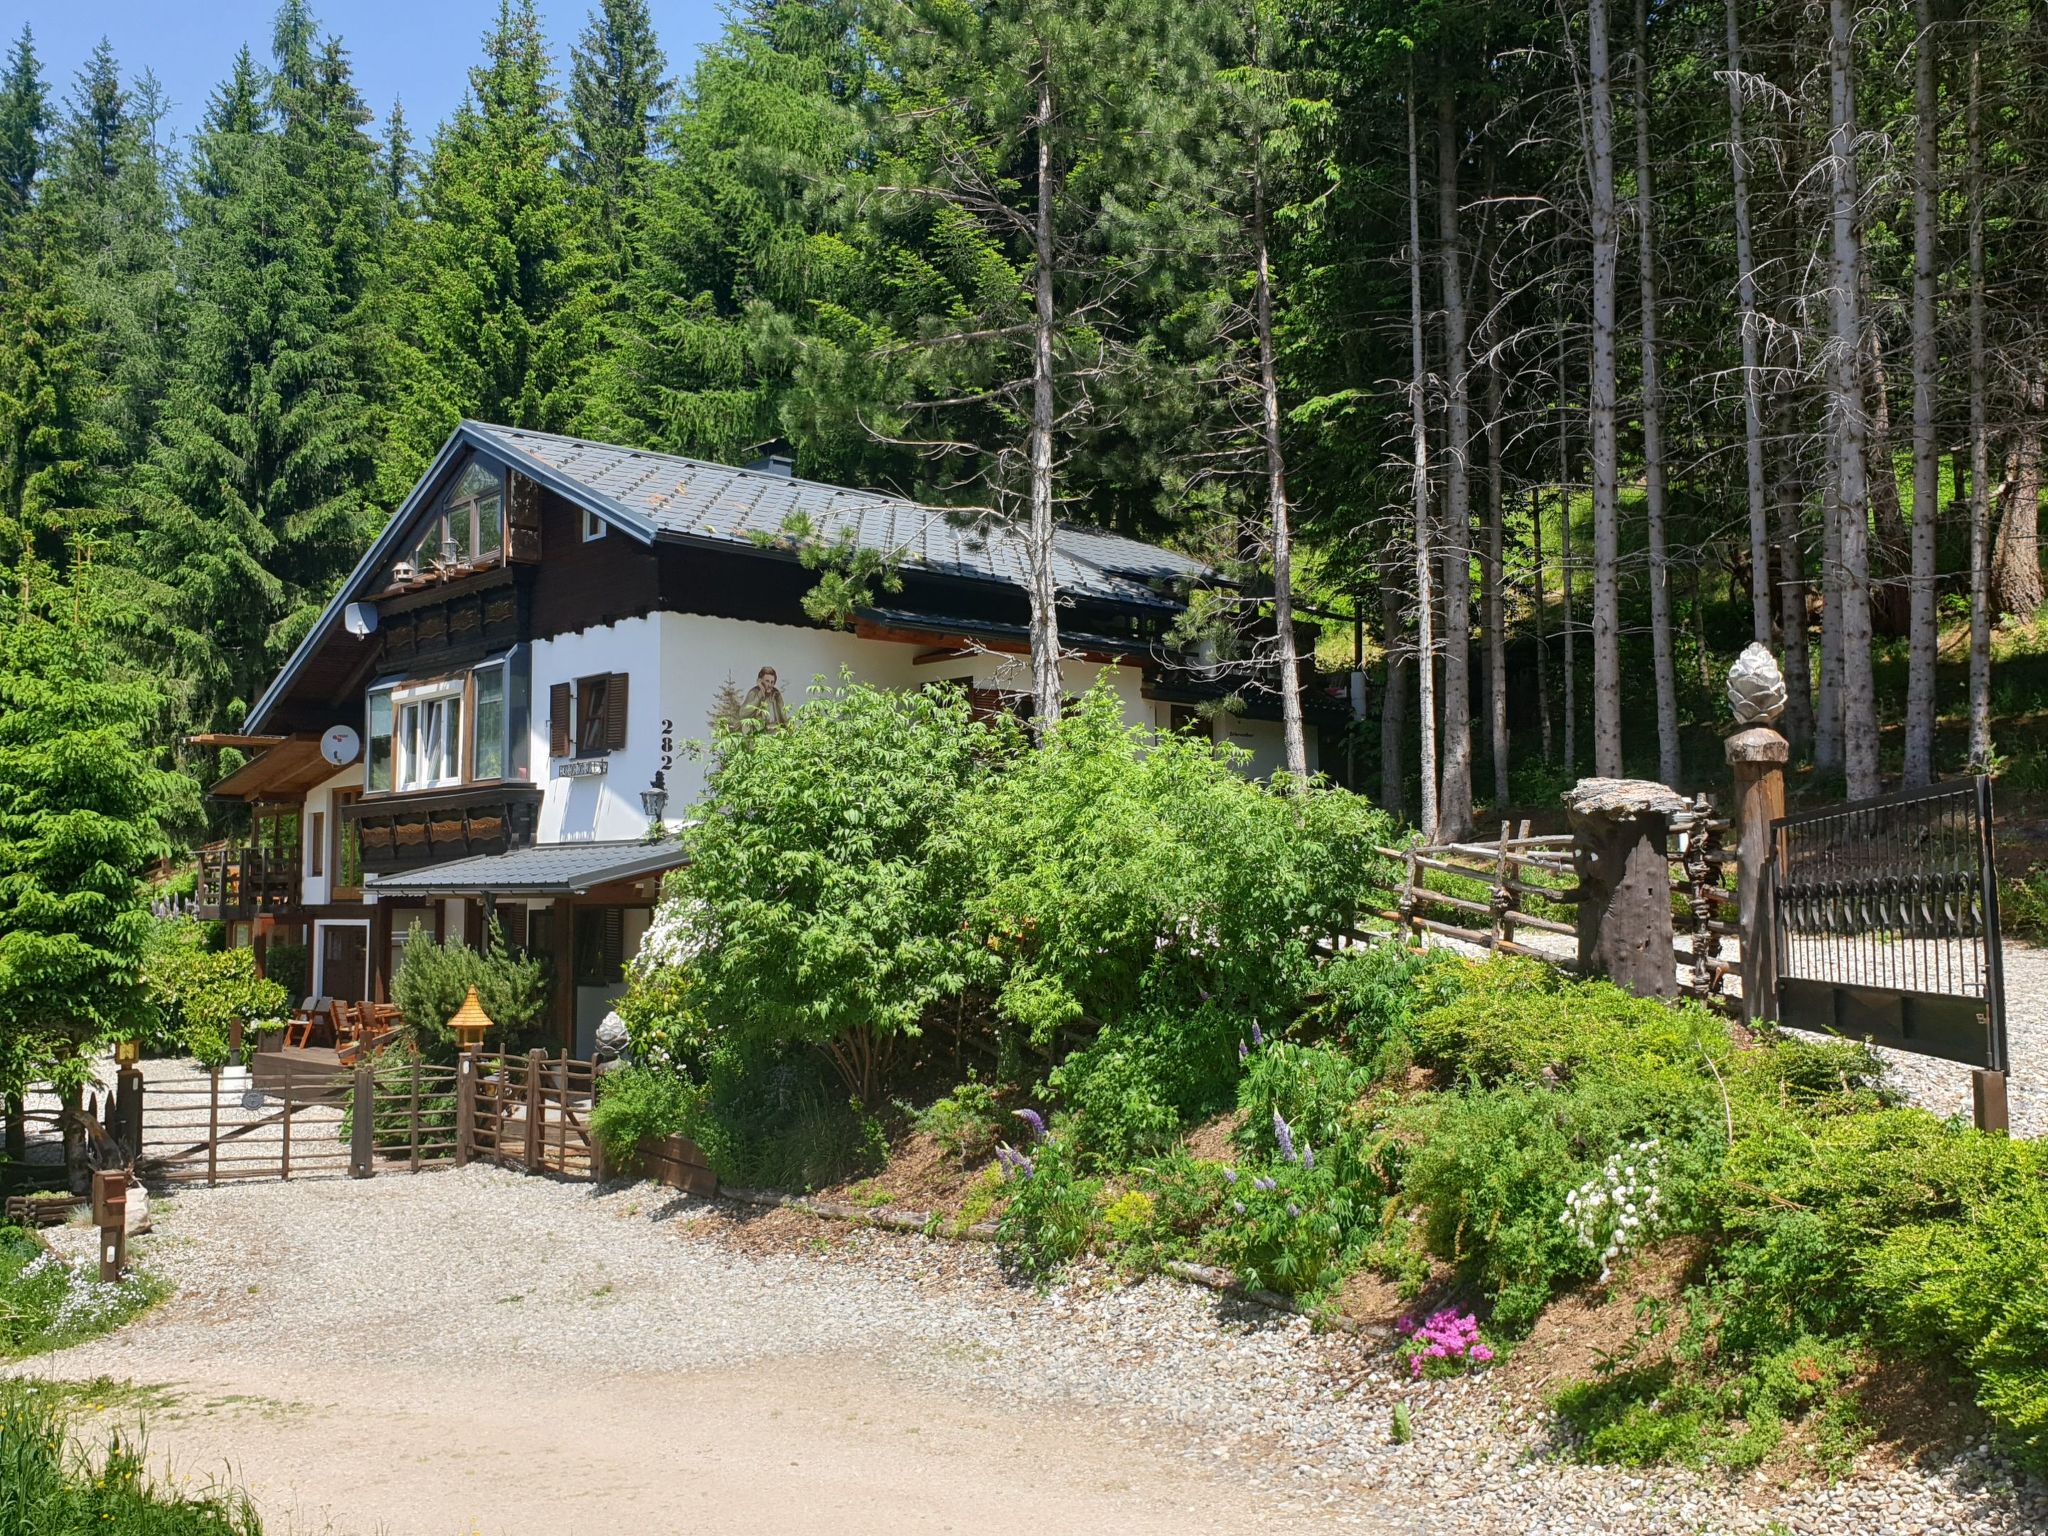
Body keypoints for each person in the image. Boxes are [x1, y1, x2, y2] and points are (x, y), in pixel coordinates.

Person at [742, 665, 787, 729]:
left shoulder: (776, 693)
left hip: (776, 731)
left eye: (772, 682)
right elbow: (743, 714)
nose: (770, 685)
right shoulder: (754, 692)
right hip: (759, 732)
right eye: (767, 681)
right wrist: (760, 695)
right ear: (760, 681)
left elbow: (783, 716)